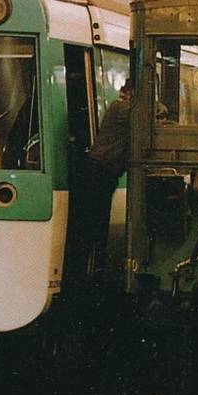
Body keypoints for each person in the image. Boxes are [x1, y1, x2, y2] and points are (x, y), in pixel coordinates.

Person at [68, 81, 132, 283]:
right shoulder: (119, 107)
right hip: (97, 172)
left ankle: (92, 270)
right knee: (92, 223)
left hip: (104, 174)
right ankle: (83, 274)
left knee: (98, 223)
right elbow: (149, 110)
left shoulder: (125, 110)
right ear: (128, 92)